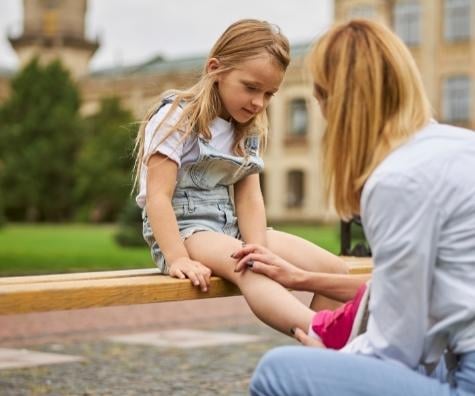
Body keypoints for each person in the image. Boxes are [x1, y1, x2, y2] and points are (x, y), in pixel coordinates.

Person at [249, 19, 475, 395]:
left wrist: (331, 356)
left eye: (318, 99)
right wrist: (302, 279)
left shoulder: (398, 179)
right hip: (457, 357)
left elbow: (397, 348)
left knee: (276, 371)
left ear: (336, 104)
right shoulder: (460, 145)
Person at [132, 19, 349, 337]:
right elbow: (158, 196)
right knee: (246, 267)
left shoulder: (247, 128)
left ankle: (319, 352)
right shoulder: (177, 116)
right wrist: (177, 257)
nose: (259, 102)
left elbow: (250, 197)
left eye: (269, 94)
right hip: (185, 232)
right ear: (215, 69)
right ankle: (321, 333)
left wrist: (260, 249)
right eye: (250, 88)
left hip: (231, 230)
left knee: (335, 270)